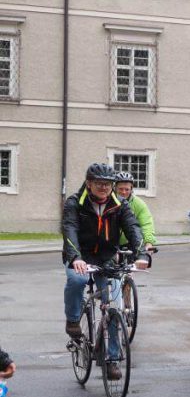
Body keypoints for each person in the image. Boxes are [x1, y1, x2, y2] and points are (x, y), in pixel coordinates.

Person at [62, 163, 149, 380]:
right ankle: (73, 320)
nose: (104, 187)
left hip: (107, 258)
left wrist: (142, 255)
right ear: (89, 183)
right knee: (77, 281)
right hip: (80, 256)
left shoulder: (120, 205)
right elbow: (69, 229)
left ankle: (112, 359)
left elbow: (133, 228)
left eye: (108, 184)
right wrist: (76, 258)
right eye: (99, 183)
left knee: (114, 304)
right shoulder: (75, 203)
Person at [115, 171, 157, 252]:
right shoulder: (108, 201)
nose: (123, 192)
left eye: (127, 189)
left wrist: (148, 243)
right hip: (109, 244)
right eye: (120, 189)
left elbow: (146, 224)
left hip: (130, 243)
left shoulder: (139, 204)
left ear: (131, 189)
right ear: (115, 188)